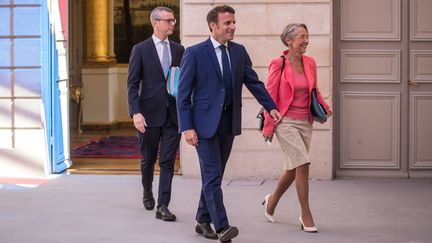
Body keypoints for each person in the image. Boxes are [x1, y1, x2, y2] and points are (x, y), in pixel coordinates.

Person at [176, 5, 282, 243]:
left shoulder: (239, 52)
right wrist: (187, 127)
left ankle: (202, 221)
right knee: (213, 175)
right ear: (213, 25)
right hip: (202, 125)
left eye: (234, 22)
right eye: (227, 23)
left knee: (215, 175)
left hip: (228, 123)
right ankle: (222, 226)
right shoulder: (194, 53)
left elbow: (253, 83)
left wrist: (270, 106)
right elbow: (183, 95)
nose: (233, 27)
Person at [261, 23, 332, 233]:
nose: (306, 40)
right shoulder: (278, 63)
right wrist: (268, 126)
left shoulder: (310, 62)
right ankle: (306, 213)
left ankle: (271, 202)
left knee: (293, 168)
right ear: (289, 41)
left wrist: (325, 107)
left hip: (305, 122)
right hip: (285, 122)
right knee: (303, 163)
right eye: (302, 36)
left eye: (307, 36)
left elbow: (313, 90)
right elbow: (269, 96)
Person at [127, 6, 184, 222]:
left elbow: (184, 83)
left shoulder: (180, 50)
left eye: (173, 21)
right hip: (148, 114)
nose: (172, 24)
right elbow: (132, 85)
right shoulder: (140, 50)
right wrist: (135, 112)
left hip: (173, 115)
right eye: (168, 20)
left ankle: (163, 206)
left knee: (168, 161)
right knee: (148, 159)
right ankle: (147, 192)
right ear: (155, 23)